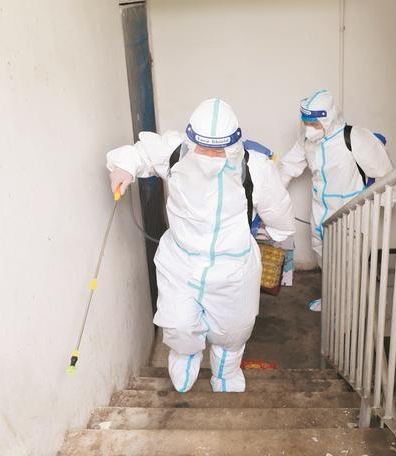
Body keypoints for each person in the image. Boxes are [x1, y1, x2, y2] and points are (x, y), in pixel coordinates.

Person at [107, 98, 294, 393]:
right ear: (191, 139)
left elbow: (277, 206)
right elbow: (142, 152)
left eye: (218, 150)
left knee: (233, 329)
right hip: (182, 261)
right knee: (178, 322)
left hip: (233, 266)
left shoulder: (255, 168)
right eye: (203, 148)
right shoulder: (175, 154)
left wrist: (279, 231)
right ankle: (186, 354)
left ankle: (226, 372)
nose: (209, 156)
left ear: (233, 145)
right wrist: (124, 168)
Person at [277, 89, 393, 309]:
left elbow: (385, 173)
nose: (309, 128)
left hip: (350, 214)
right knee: (325, 260)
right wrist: (270, 196)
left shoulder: (354, 137)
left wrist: (385, 207)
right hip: (320, 212)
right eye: (306, 123)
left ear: (328, 119)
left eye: (314, 123)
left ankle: (349, 314)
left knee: (350, 266)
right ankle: (332, 301)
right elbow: (288, 167)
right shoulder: (307, 141)